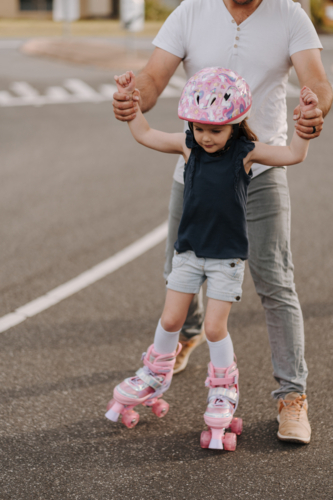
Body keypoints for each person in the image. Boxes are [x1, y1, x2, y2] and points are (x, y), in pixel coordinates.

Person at [112, 0, 332, 444]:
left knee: (275, 284)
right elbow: (154, 78)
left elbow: (317, 84)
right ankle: (186, 338)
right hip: (193, 176)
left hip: (261, 168)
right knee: (180, 271)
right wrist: (133, 99)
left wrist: (313, 111)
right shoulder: (191, 12)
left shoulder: (290, 15)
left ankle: (292, 396)